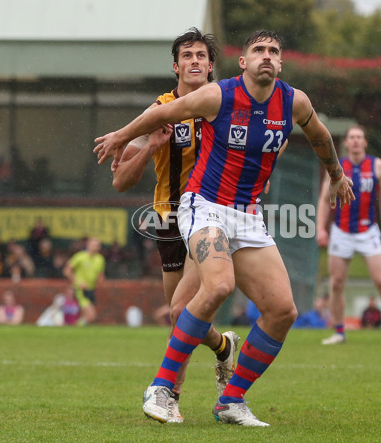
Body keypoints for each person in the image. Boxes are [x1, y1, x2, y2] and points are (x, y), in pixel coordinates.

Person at [94, 29, 355, 426]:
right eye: (258, 50)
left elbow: (318, 136)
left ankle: (231, 400)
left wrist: (336, 174)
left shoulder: (294, 101)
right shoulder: (219, 95)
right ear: (243, 62)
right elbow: (161, 114)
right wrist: (122, 136)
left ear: (281, 63)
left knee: (282, 310)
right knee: (217, 286)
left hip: (248, 215)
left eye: (274, 51)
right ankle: (162, 388)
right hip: (202, 206)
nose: (266, 56)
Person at [110, 28, 240, 423]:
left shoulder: (228, 105)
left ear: (211, 65)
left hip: (212, 217)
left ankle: (170, 397)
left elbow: (272, 139)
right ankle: (223, 348)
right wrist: (150, 145)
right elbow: (120, 181)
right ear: (176, 65)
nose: (195, 61)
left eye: (202, 55)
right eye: (188, 55)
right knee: (181, 314)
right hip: (168, 219)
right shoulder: (160, 110)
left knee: (181, 313)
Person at [317, 125, 381, 347]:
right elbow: (325, 199)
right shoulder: (336, 166)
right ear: (346, 143)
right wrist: (320, 228)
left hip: (368, 231)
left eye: (359, 137)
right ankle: (339, 332)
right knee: (336, 284)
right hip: (341, 230)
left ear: (365, 142)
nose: (355, 141)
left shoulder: (378, 166)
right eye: (352, 138)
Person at [63, 237, 105, 324]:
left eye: (97, 246)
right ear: (88, 245)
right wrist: (78, 282)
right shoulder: (80, 257)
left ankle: (76, 326)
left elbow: (100, 275)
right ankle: (76, 326)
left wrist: (100, 280)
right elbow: (67, 271)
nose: (95, 247)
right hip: (80, 290)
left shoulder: (100, 259)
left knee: (85, 315)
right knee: (91, 315)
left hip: (91, 290)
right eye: (93, 245)